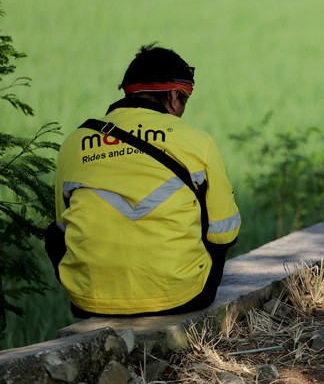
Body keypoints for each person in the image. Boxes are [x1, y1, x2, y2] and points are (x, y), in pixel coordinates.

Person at [45, 44, 241, 317]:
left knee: (53, 233)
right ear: (174, 96)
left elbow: (62, 228)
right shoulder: (196, 141)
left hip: (91, 300)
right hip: (182, 297)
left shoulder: (74, 142)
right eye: (184, 100)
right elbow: (224, 232)